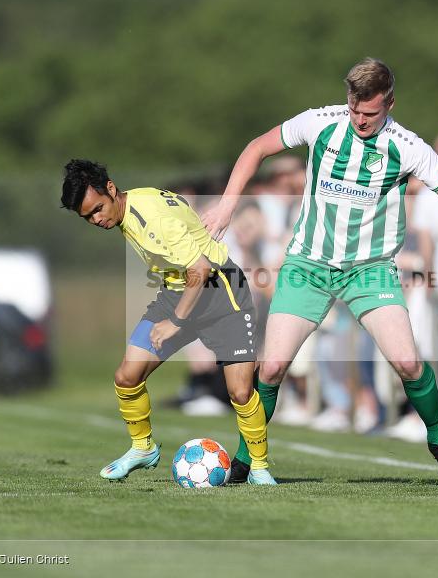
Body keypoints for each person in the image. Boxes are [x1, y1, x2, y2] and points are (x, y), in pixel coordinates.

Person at [201, 58, 438, 486]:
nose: (360, 120)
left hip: (370, 270)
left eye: (370, 113)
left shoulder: (408, 147)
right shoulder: (320, 123)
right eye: (355, 109)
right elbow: (258, 146)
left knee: (407, 362)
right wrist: (226, 203)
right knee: (272, 368)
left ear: (390, 103)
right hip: (308, 265)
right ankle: (245, 457)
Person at [59, 159, 277, 485]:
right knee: (127, 376)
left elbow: (200, 269)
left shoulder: (151, 219)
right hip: (178, 292)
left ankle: (259, 467)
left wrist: (175, 322)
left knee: (241, 392)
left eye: (98, 209)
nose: (96, 219)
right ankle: (142, 448)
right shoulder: (132, 205)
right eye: (88, 216)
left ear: (111, 189)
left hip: (221, 293)